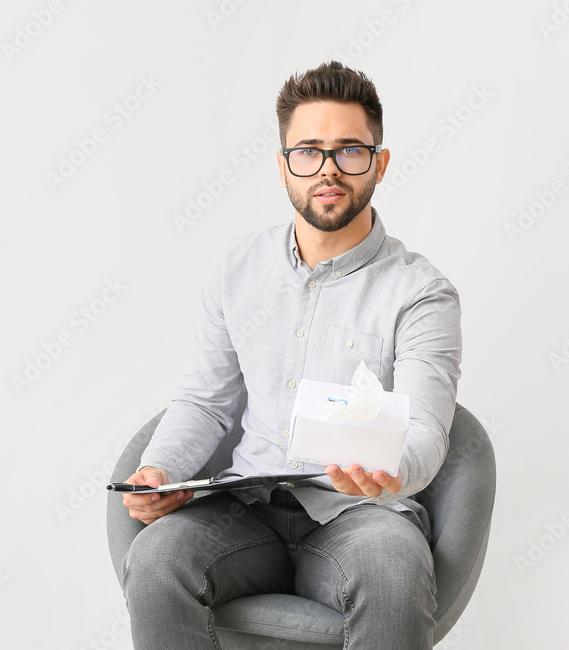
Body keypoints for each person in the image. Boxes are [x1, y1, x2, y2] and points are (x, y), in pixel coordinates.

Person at [120, 61, 462, 649]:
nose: (328, 169)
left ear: (378, 163)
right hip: (242, 509)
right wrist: (160, 471)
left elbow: (427, 429)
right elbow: (206, 402)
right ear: (283, 166)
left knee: (392, 566)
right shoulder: (237, 267)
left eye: (349, 150)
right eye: (308, 152)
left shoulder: (421, 292)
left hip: (357, 514)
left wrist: (386, 474)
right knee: (157, 559)